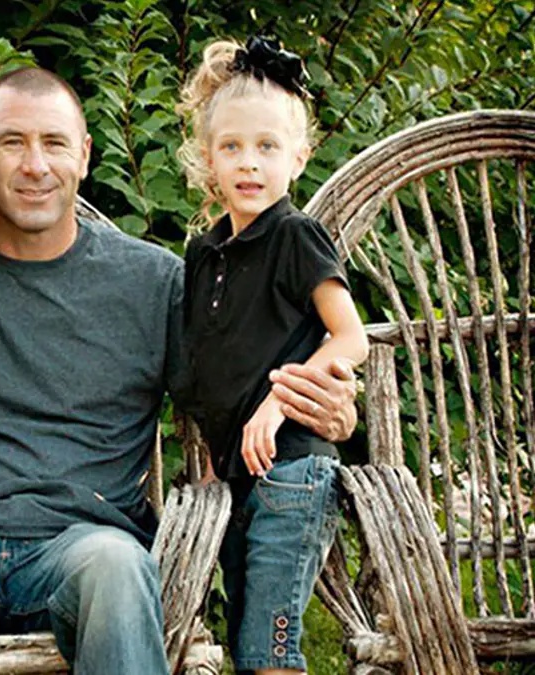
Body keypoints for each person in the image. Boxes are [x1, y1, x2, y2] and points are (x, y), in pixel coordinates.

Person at [0, 67, 360, 675]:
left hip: (85, 546)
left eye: (55, 143)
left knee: (119, 567)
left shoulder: (152, 282)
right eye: (12, 143)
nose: (35, 165)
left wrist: (325, 407)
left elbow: (235, 383)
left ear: (86, 155)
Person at [176, 37, 369, 675]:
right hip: (236, 478)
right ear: (208, 157)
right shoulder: (205, 256)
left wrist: (278, 401)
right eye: (231, 147)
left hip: (291, 470)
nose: (249, 163)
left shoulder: (295, 236)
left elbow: (349, 337)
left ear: (299, 157)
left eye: (267, 147)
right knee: (244, 644)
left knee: (270, 644)